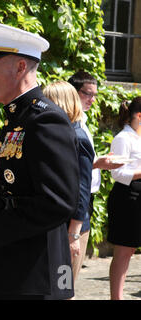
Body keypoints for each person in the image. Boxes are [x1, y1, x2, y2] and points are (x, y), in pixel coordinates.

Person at [0, 22, 80, 300]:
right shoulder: (19, 118)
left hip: (34, 274)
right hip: (13, 264)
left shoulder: (45, 120)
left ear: (21, 67)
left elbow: (58, 202)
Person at [43, 81, 94, 284]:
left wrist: (73, 234)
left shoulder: (78, 138)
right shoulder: (59, 135)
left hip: (71, 228)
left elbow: (82, 189)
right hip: (56, 226)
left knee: (63, 287)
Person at [68, 71, 123, 219]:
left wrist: (100, 161)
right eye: (88, 94)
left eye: (95, 95)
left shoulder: (83, 120)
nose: (92, 100)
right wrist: (97, 164)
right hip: (75, 195)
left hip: (86, 193)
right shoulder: (69, 123)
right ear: (73, 92)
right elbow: (68, 164)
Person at [107, 97, 141, 300]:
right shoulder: (123, 138)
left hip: (137, 196)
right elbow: (117, 174)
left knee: (131, 248)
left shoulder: (137, 137)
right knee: (124, 249)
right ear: (139, 116)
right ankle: (116, 297)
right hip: (127, 197)